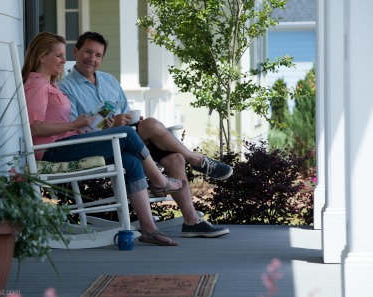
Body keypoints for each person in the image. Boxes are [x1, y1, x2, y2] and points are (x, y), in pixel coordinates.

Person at [59, 31, 233, 238]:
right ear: (76, 51)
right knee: (151, 125)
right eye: (88, 52)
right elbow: (74, 130)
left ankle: (191, 221)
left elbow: (125, 110)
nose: (92, 59)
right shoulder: (65, 88)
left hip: (130, 138)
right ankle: (196, 159)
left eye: (98, 55)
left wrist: (130, 120)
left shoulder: (109, 81)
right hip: (103, 144)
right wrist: (109, 125)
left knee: (174, 157)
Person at [22, 31, 187, 246]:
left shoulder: (50, 84)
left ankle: (148, 229)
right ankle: (160, 181)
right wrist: (74, 124)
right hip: (53, 150)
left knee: (130, 160)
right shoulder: (36, 84)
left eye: (63, 56)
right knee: (127, 133)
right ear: (42, 56)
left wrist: (92, 124)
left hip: (68, 142)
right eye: (59, 55)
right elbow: (35, 127)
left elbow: (63, 124)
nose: (63, 61)